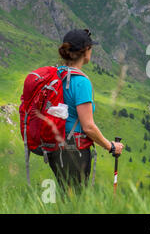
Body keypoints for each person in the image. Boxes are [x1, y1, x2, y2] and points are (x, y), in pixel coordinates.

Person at [48, 29, 124, 190]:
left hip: (55, 146)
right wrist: (111, 146)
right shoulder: (81, 82)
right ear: (85, 51)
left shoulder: (57, 74)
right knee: (75, 201)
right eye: (90, 47)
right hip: (74, 149)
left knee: (66, 196)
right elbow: (88, 127)